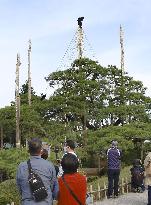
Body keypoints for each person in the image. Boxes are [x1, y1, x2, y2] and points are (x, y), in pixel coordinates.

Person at [16, 138, 57, 205]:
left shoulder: (21, 167)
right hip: (46, 202)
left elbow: (20, 188)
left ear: (28, 151)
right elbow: (52, 186)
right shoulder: (49, 166)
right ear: (41, 151)